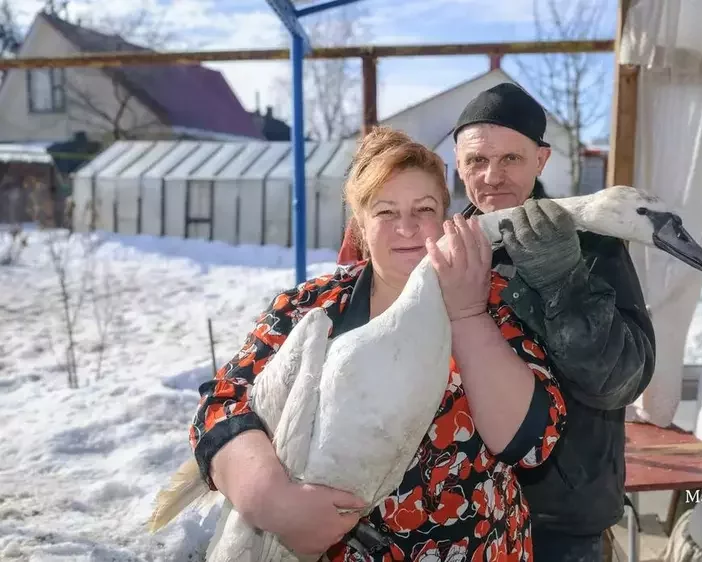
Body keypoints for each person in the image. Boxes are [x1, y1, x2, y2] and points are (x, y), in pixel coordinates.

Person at [189, 126, 568, 561]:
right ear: (361, 226)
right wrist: (272, 500)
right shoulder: (311, 306)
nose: (406, 228)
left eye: (423, 209)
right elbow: (221, 405)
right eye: (386, 212)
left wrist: (467, 317)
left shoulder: (491, 299)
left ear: (445, 218)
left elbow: (532, 442)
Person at [451, 82, 656, 561]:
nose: (492, 176)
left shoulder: (591, 243)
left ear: (541, 160)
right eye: (477, 160)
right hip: (465, 512)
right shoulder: (449, 250)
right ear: (458, 165)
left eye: (511, 158)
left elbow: (621, 381)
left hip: (560, 521)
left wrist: (564, 282)